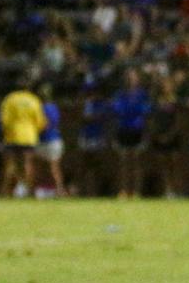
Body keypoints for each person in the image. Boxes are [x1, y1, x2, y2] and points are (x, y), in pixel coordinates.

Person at [0, 78, 47, 197]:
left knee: (10, 164)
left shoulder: (10, 99)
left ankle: (5, 191)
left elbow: (4, 120)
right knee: (27, 163)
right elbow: (41, 122)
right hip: (29, 136)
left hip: (12, 135)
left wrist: (6, 132)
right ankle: (30, 191)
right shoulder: (33, 100)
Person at [111, 69, 152, 198]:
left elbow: (146, 109)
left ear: (138, 79)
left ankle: (136, 191)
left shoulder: (142, 94)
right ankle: (123, 189)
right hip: (123, 129)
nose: (131, 80)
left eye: (133, 77)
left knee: (136, 161)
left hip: (137, 129)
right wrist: (132, 109)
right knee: (123, 161)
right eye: (128, 77)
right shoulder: (120, 94)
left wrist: (132, 109)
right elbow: (117, 109)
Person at [147, 77, 182, 198]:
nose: (167, 86)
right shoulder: (156, 100)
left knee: (175, 162)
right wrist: (157, 134)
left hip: (172, 135)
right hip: (159, 135)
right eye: (165, 84)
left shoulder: (175, 100)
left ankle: (177, 189)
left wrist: (170, 134)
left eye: (169, 84)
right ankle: (168, 189)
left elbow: (178, 120)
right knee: (163, 163)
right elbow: (152, 119)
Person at [78, 83, 115, 196]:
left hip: (98, 136)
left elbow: (101, 116)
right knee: (85, 164)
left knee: (98, 164)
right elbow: (83, 117)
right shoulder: (86, 104)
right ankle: (85, 190)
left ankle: (97, 190)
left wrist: (92, 117)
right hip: (86, 135)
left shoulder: (102, 104)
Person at [35, 82, 66, 196]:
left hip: (50, 140)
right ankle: (34, 190)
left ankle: (60, 190)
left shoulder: (48, 107)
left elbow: (47, 125)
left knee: (53, 168)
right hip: (44, 140)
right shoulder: (50, 107)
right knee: (40, 167)